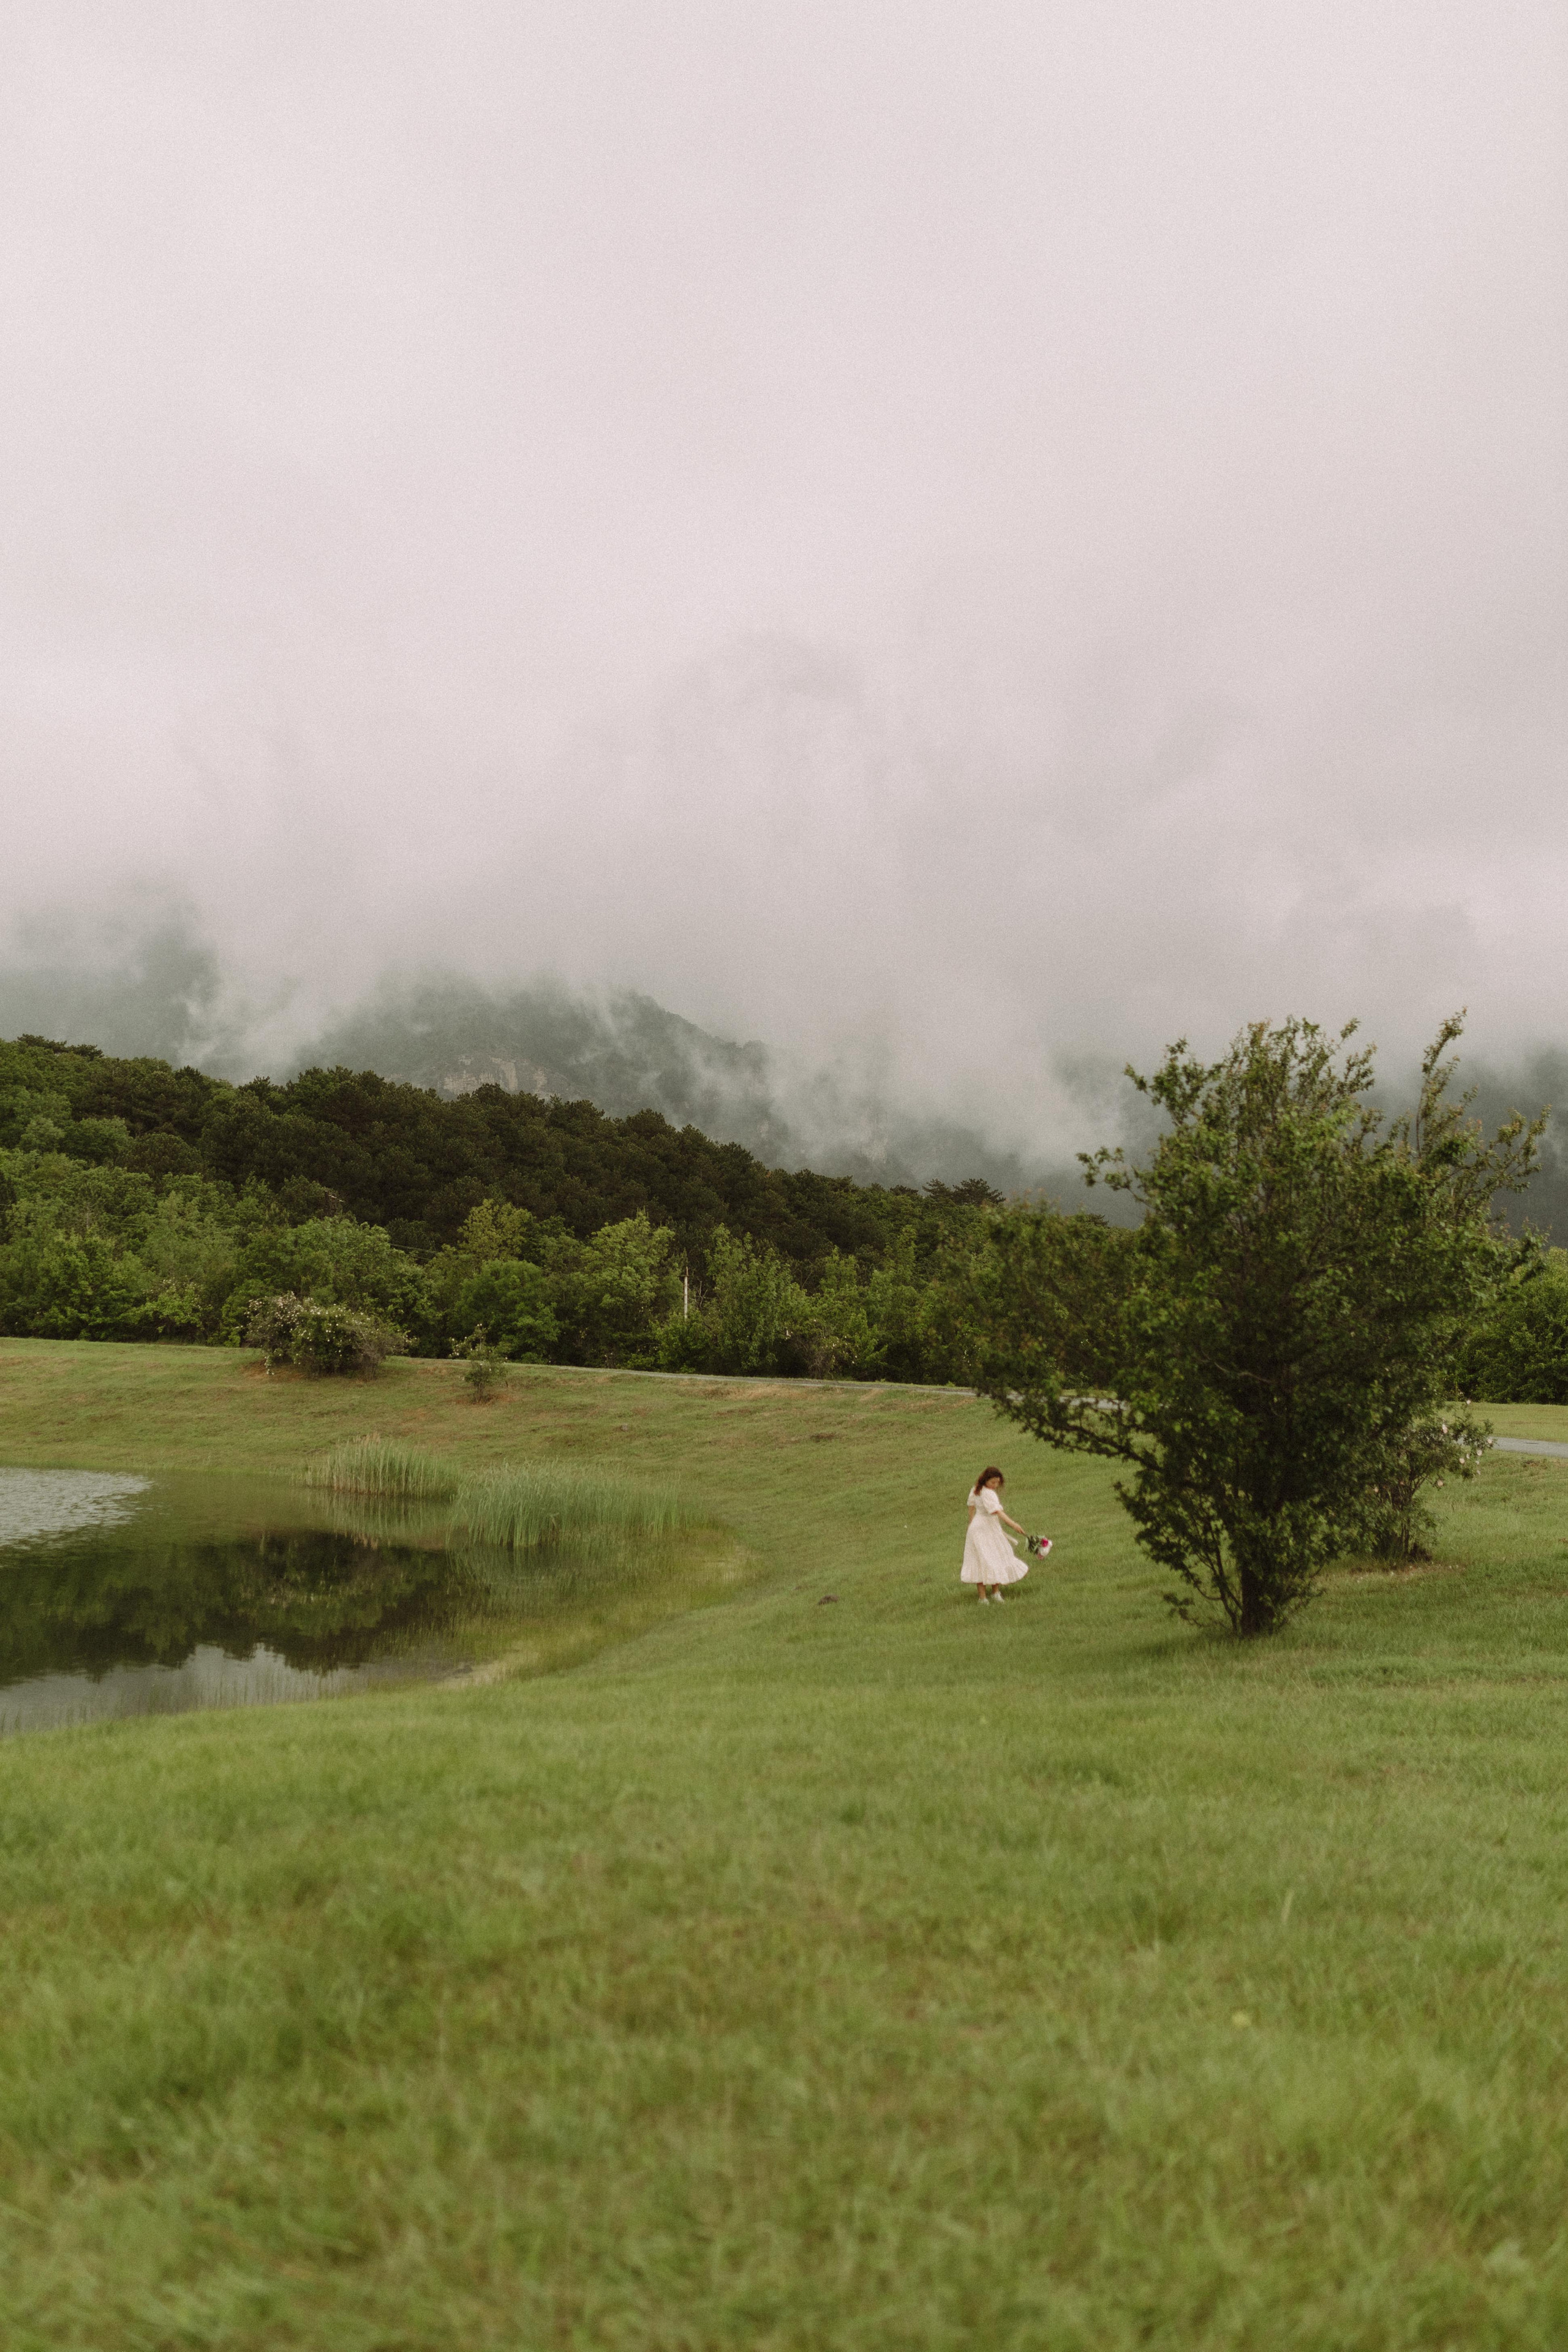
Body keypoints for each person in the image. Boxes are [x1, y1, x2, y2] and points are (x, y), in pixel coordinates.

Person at [960, 1466, 1046, 1604]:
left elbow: (971, 1506)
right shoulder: (987, 1493)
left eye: (997, 1483)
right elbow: (997, 1512)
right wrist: (1014, 1525)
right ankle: (984, 1597)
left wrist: (971, 1524)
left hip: (984, 1527)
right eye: (993, 1482)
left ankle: (994, 1593)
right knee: (985, 1559)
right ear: (986, 1480)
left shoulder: (976, 1488)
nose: (995, 1485)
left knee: (992, 1557)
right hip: (983, 1529)